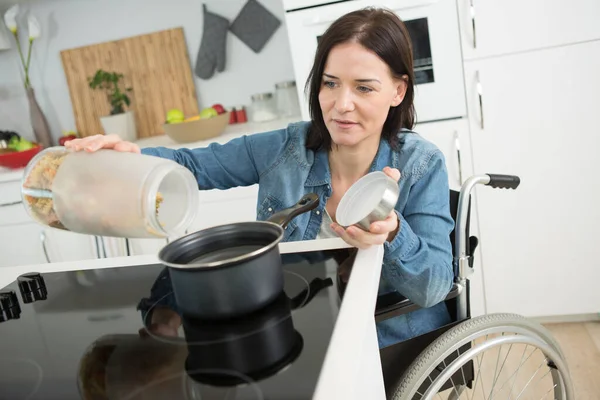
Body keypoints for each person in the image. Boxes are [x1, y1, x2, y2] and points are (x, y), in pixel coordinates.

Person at [66, 7, 455, 348]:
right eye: (330, 83)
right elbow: (193, 163)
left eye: (364, 88)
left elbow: (436, 287)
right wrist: (132, 157)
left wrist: (393, 233)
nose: (342, 105)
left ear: (398, 90)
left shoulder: (421, 164)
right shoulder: (288, 148)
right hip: (301, 326)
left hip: (384, 338)